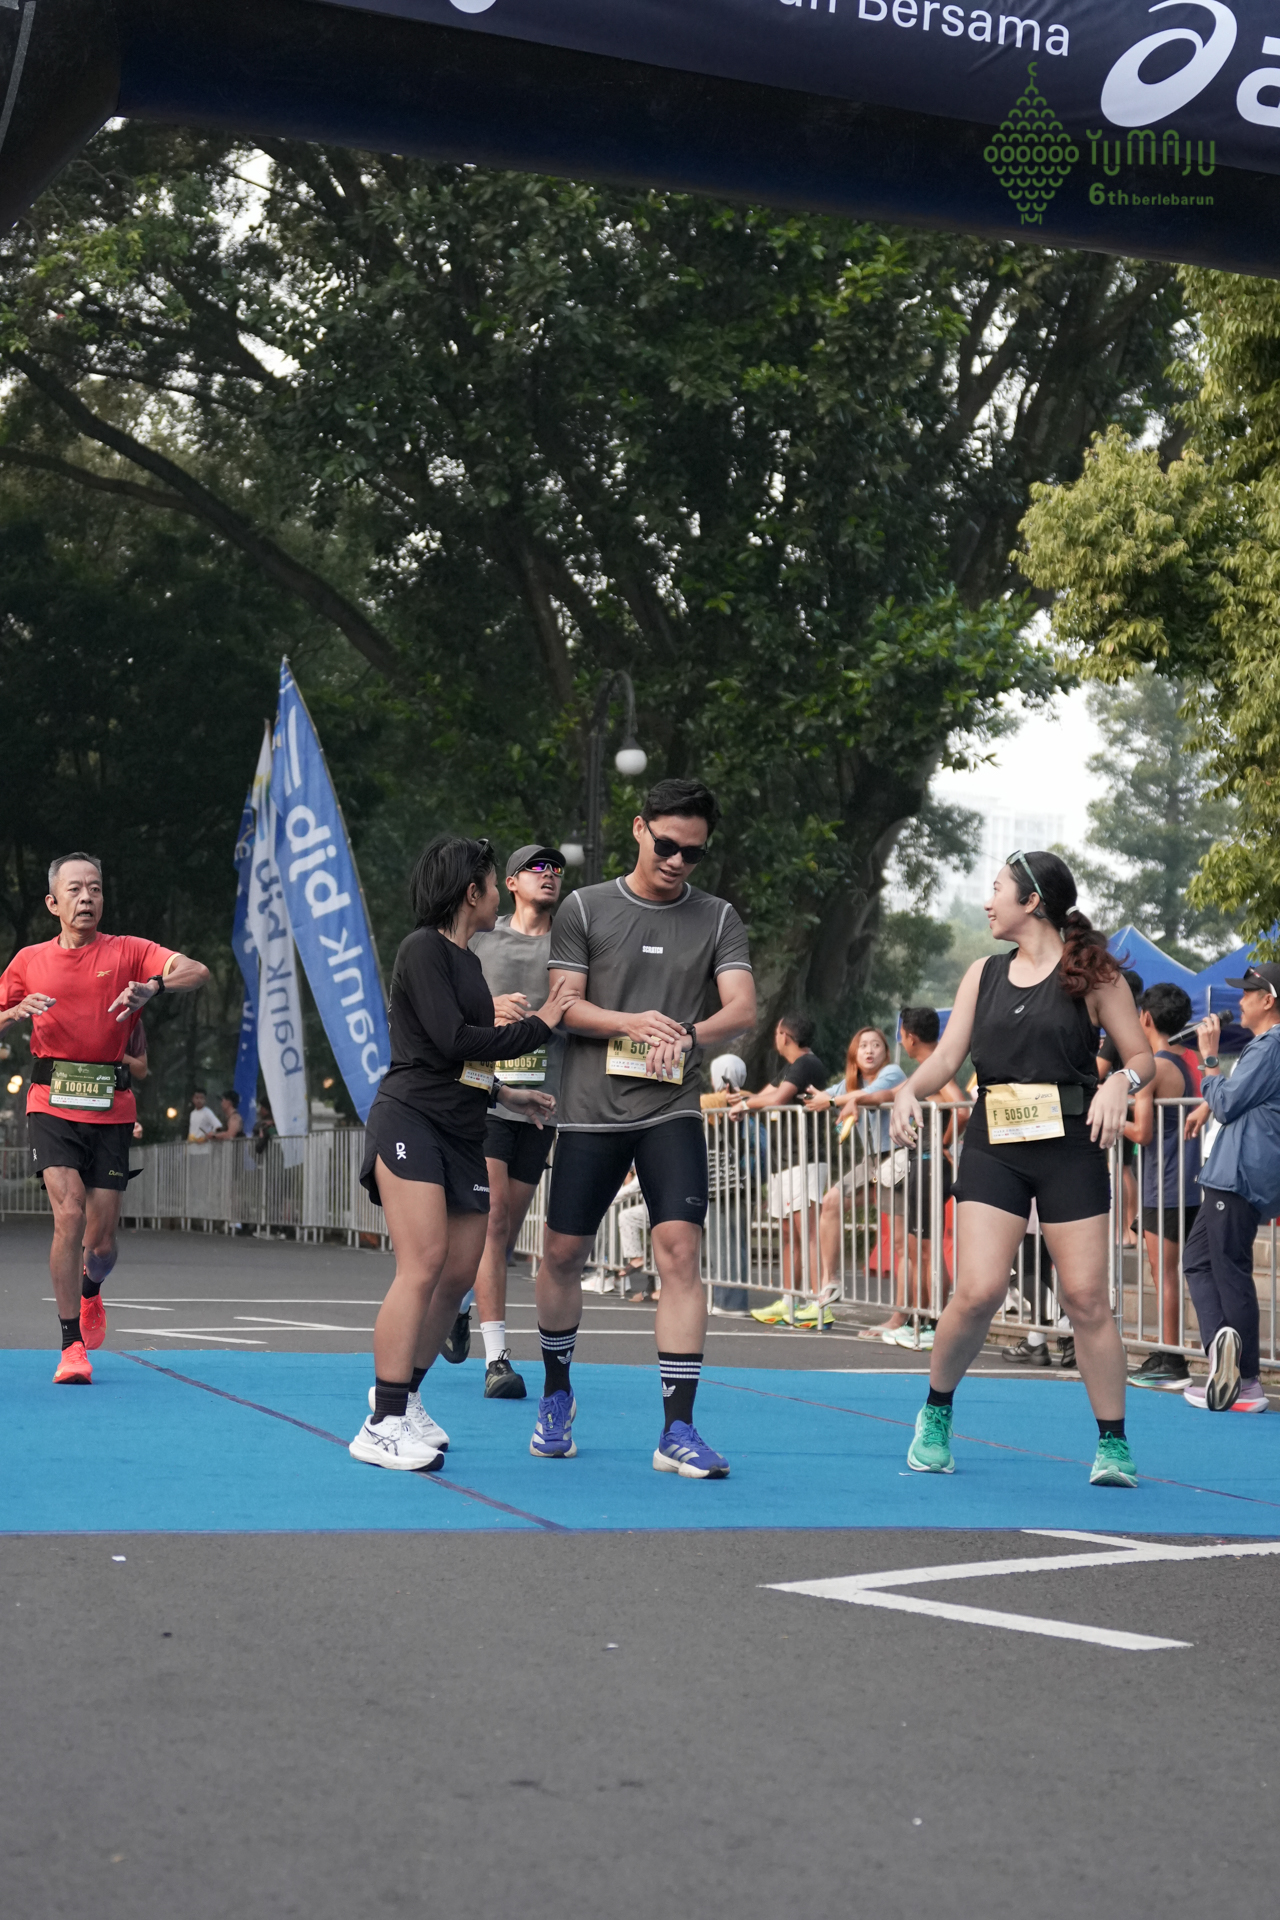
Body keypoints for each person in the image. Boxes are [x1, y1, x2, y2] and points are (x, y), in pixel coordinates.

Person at [890, 849, 1154, 1489]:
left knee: (1086, 1298)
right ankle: (935, 1414)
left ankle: (1113, 1444)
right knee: (978, 1291)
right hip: (994, 1144)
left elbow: (1142, 1056)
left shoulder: (1094, 976)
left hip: (1070, 1147)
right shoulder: (982, 973)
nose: (988, 902)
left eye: (998, 889)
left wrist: (1118, 1081)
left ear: (1032, 901)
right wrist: (906, 1091)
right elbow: (947, 1058)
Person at [530, 776, 756, 1477]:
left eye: (694, 852)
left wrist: (688, 1034)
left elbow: (741, 1009)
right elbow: (564, 1007)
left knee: (680, 1254)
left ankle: (677, 1428)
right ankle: (557, 1393)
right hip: (590, 1114)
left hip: (671, 1108)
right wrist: (631, 1022)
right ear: (639, 829)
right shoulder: (584, 907)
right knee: (562, 1255)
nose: (678, 861)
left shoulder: (718, 917)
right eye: (667, 845)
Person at [349, 835, 573, 1471]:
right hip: (411, 1119)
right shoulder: (422, 949)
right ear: (471, 892)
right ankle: (381, 1421)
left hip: (463, 1127)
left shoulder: (469, 962)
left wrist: (506, 1093)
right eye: (493, 884)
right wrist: (542, 1023)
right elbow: (451, 1041)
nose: (498, 894)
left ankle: (408, 1397)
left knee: (456, 1277)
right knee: (421, 1265)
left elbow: (463, 1059)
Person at [0, 852, 208, 1384]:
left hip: (110, 1107)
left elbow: (197, 970)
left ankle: (91, 1290)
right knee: (67, 1212)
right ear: (53, 903)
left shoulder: (128, 951)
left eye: (94, 888)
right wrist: (11, 1013)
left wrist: (154, 986)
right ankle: (71, 1345)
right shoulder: (28, 960)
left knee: (102, 1244)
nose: (86, 897)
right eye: (74, 889)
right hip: (50, 1101)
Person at [456, 843, 568, 1399]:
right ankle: (497, 1358)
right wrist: (488, 1009)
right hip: (488, 1096)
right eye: (537, 868)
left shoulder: (570, 946)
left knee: (499, 1237)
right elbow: (445, 1004)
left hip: (542, 1104)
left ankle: (458, 1302)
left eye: (556, 869)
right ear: (513, 883)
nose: (549, 875)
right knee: (494, 1217)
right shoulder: (481, 938)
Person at [1180, 963, 1280, 1414]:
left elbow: (1227, 1102)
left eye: (1247, 993)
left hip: (1239, 1173)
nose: (1239, 1001)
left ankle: (1247, 1380)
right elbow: (1231, 1100)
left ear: (1268, 999)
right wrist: (1211, 1097)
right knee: (1198, 1260)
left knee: (1228, 1269)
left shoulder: (1270, 1045)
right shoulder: (1267, 1047)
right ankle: (1224, 1350)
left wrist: (1209, 1058)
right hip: (1235, 1173)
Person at [1125, 983, 1200, 1390]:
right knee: (1167, 1272)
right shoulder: (1183, 1063)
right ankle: (1169, 1353)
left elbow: (1142, 1132)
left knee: (1165, 1273)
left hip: (1165, 1184)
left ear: (1146, 1018)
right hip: (1180, 1182)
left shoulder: (1154, 1067)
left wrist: (1108, 1116)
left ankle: (1171, 1358)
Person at [804, 1027, 906, 1324]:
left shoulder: (893, 1073)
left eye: (876, 1045)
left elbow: (869, 1096)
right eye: (863, 1046)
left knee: (901, 1241)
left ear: (886, 1052)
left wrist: (837, 1101)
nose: (869, 1050)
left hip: (897, 1157)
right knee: (831, 1201)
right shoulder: (851, 1083)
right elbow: (827, 1096)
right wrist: (819, 1097)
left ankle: (904, 1316)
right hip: (870, 1162)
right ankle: (831, 1281)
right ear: (854, 1053)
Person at [881, 1007, 967, 1352]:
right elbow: (887, 1095)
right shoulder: (924, 1071)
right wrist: (843, 1099)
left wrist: (943, 1144)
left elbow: (961, 1109)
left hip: (932, 1163)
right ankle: (921, 1318)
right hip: (921, 1162)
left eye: (901, 1034)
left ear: (909, 1037)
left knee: (928, 1248)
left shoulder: (937, 1069)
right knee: (918, 1246)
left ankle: (936, 1322)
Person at [740, 1014, 828, 1323]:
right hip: (785, 1162)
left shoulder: (806, 1064)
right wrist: (742, 1099)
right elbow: (764, 1095)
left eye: (777, 1033)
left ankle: (820, 1302)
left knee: (809, 1233)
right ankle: (788, 1300)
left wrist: (744, 1105)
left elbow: (776, 1099)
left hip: (805, 1159)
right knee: (790, 1234)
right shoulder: (792, 1067)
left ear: (784, 1036)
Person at [702, 1052, 760, 1314]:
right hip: (745, 1180)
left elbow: (697, 1103)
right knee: (736, 1241)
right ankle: (731, 1299)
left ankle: (728, 1301)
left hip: (723, 1181)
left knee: (723, 1241)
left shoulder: (720, 1102)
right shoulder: (751, 1100)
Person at [1097, 967, 1144, 1246]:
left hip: (1120, 1106)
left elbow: (1097, 1070)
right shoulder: (1140, 1027)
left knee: (1118, 1167)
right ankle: (1130, 1228)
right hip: (1134, 1104)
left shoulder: (1118, 1031)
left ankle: (1124, 1230)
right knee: (1125, 1167)